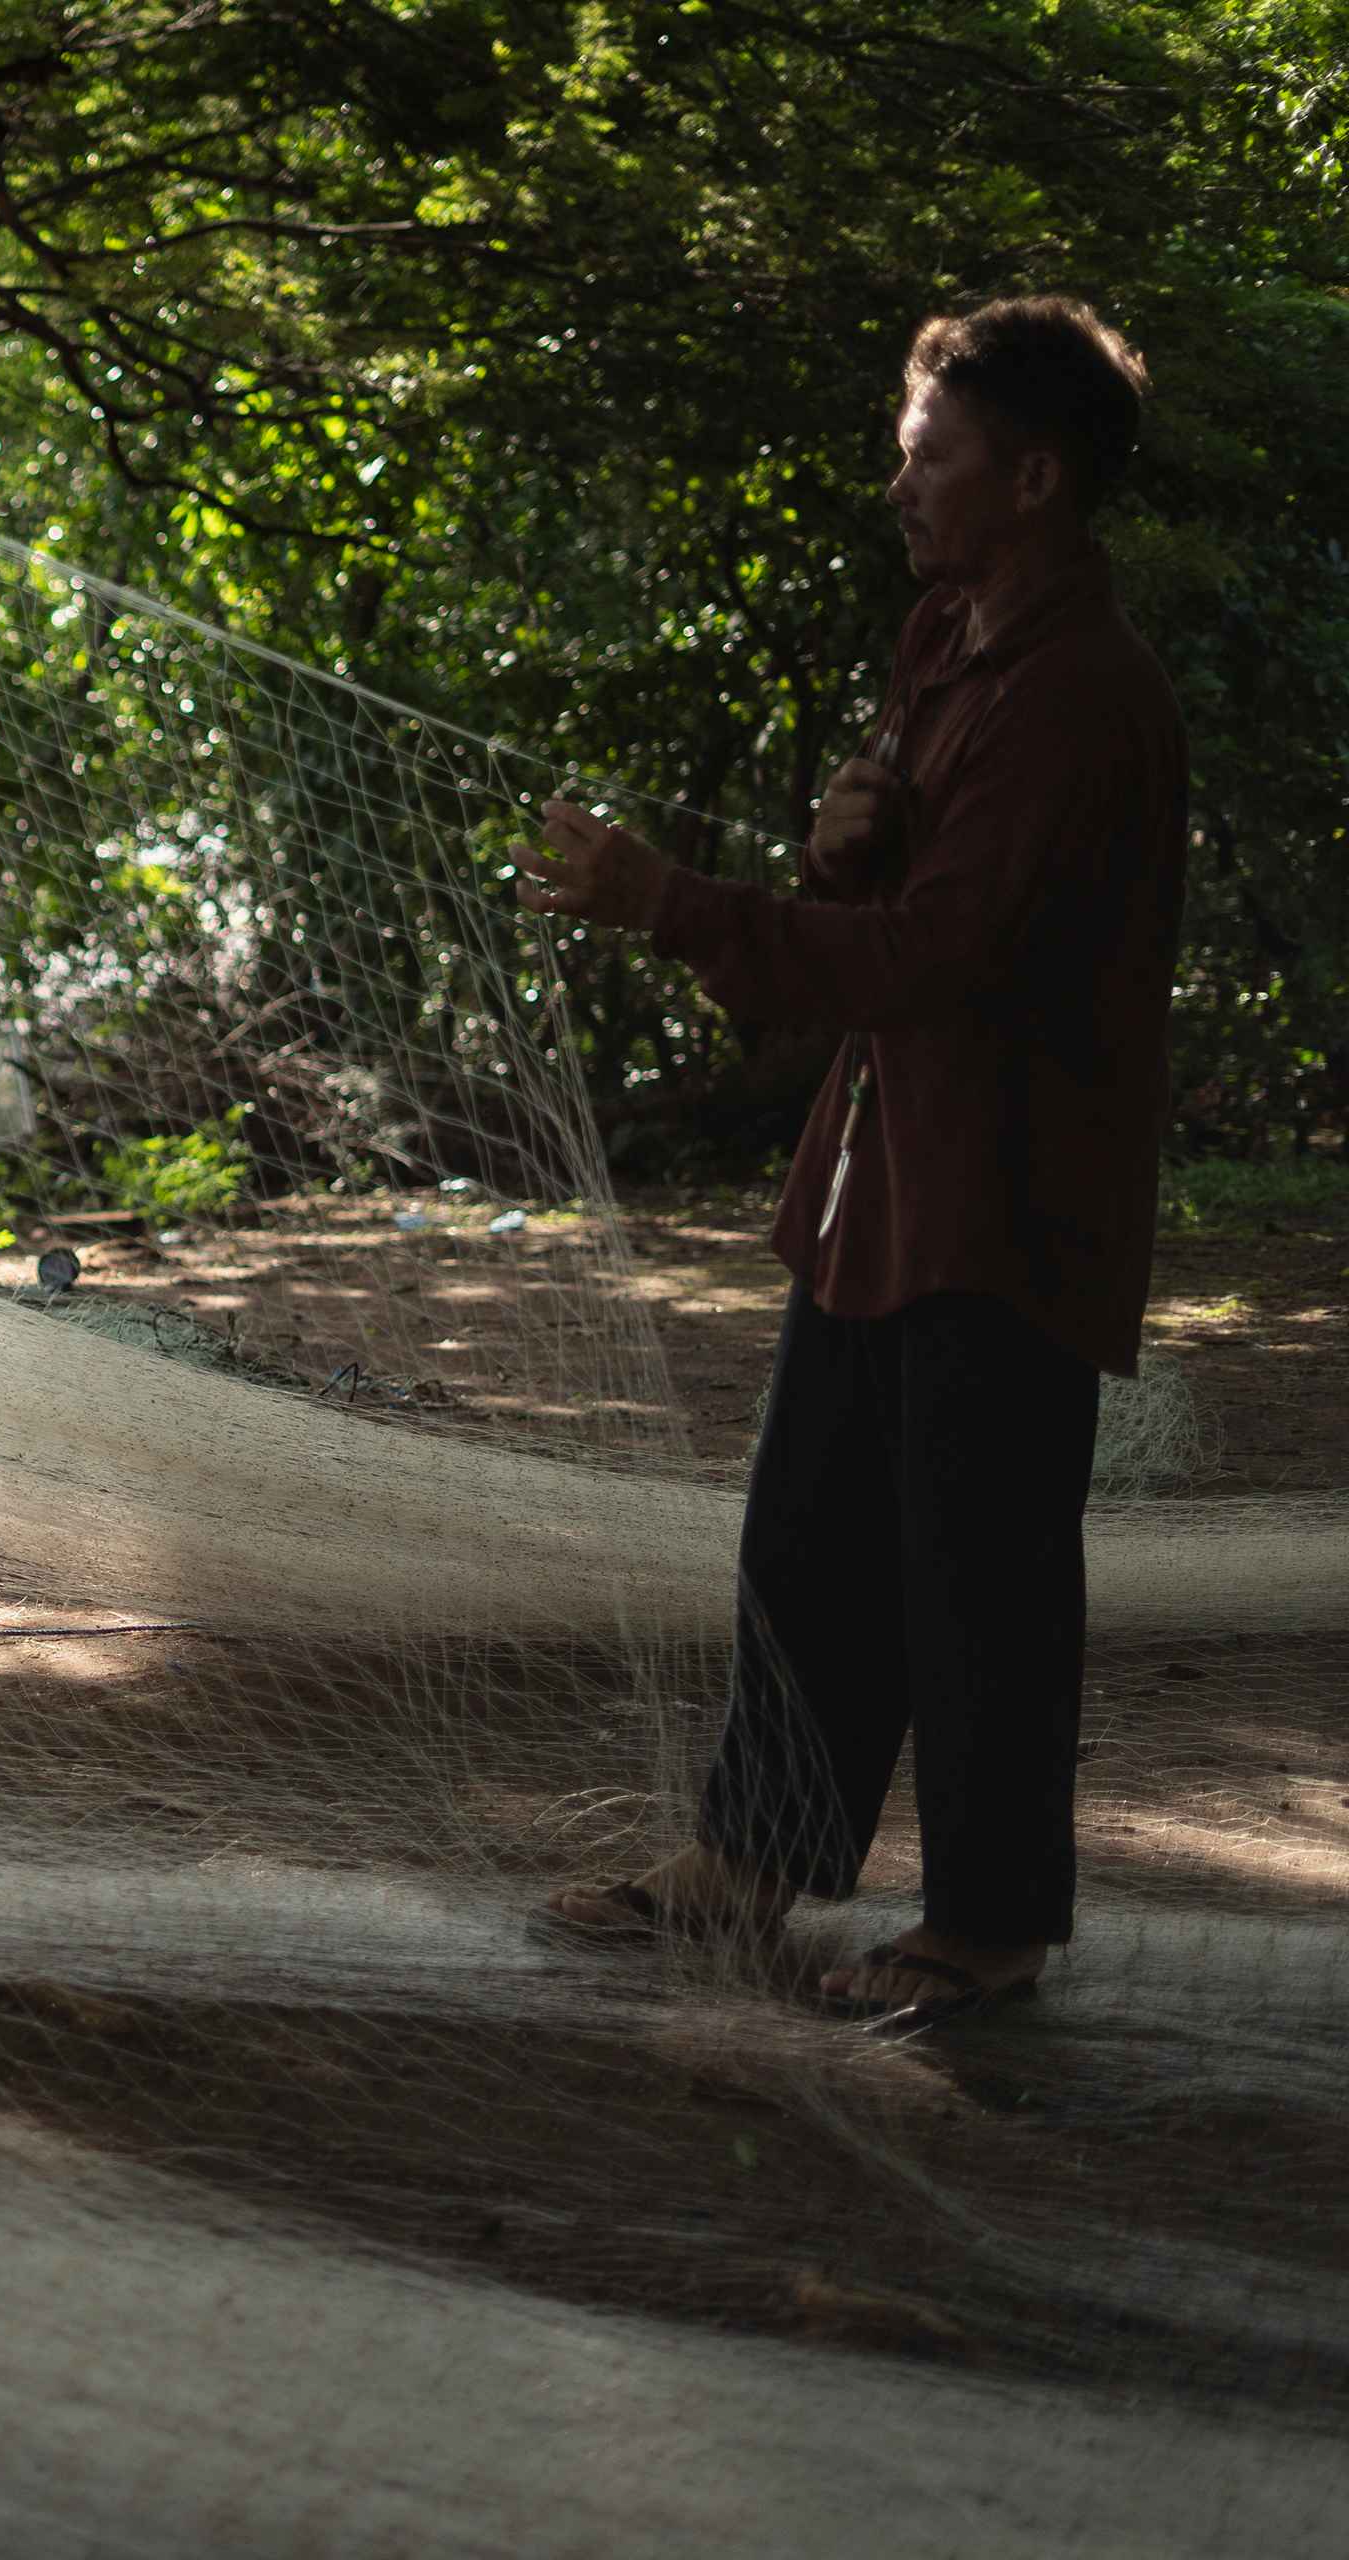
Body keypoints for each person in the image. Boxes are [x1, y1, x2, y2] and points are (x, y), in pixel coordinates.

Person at [517, 296, 1185, 2035]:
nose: (901, 489)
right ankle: (756, 1864)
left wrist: (673, 902)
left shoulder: (1081, 698)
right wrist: (839, 843)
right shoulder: (945, 637)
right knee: (807, 1533)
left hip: (1007, 1190)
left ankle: (987, 1932)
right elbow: (880, 916)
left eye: (930, 458)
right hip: (880, 1177)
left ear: (1032, 478)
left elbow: (931, 965)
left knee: (978, 1571)